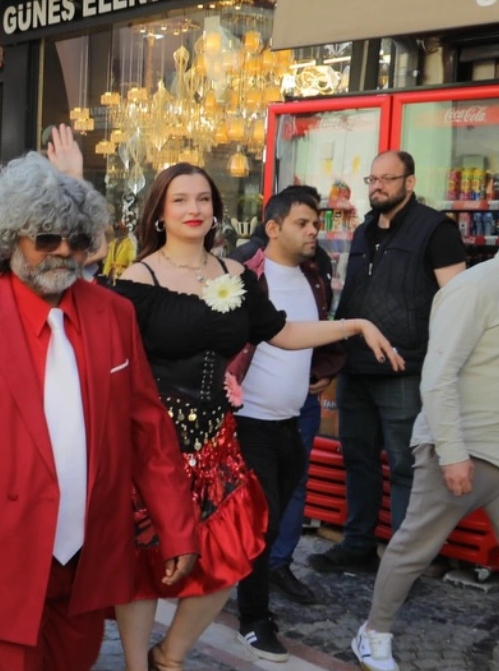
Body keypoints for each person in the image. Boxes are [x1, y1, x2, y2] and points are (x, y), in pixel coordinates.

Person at [0, 153, 199, 670]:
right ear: (10, 238)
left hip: (88, 558)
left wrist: (177, 527)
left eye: (77, 240)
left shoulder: (115, 314)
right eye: (45, 239)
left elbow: (148, 431)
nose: (64, 253)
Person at [111, 163, 403, 671]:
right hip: (153, 442)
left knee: (232, 552)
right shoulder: (138, 279)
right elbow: (113, 363)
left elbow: (282, 333)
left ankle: (170, 656)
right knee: (142, 558)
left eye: (203, 199)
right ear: (160, 211)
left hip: (217, 441)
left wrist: (353, 325)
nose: (194, 209)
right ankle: (138, 665)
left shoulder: (237, 276)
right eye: (180, 200)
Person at [310, 150, 468, 575]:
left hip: (404, 367)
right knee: (357, 458)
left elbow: (458, 303)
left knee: (405, 466)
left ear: (409, 183)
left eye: (387, 179)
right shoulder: (363, 231)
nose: (377, 186)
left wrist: (441, 362)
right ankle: (358, 545)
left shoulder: (437, 230)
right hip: (356, 366)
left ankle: (404, 563)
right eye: (372, 179)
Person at [352, 258, 499, 671]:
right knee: (414, 548)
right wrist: (452, 452)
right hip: (462, 447)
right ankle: (373, 634)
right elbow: (438, 374)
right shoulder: (475, 288)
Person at [223, 188, 344, 660]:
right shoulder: (246, 273)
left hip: (294, 418)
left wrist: (323, 370)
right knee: (260, 522)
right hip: (249, 420)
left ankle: (247, 591)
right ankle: (252, 620)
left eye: (316, 223)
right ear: (273, 228)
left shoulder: (316, 275)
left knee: (271, 525)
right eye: (303, 223)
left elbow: (313, 332)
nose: (314, 231)